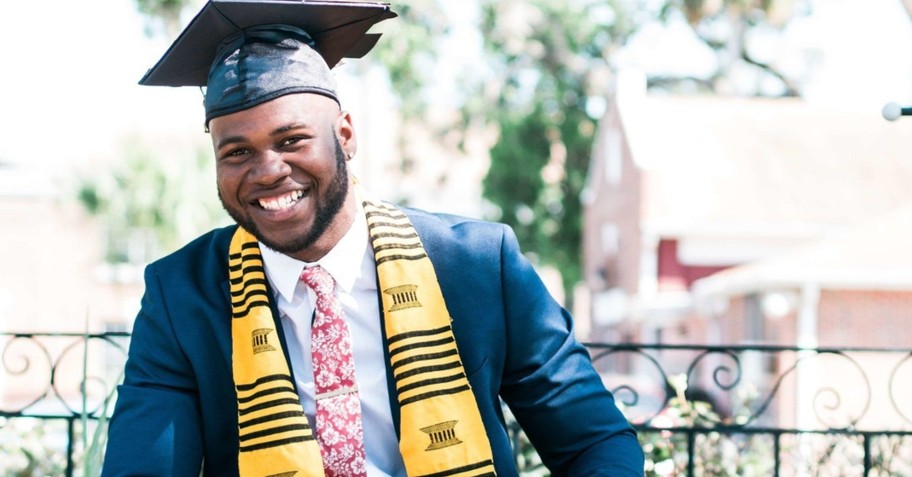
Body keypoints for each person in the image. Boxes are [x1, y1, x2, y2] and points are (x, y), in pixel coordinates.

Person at [102, 1, 644, 476]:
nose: (267, 171)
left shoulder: (478, 265)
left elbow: (595, 443)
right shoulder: (181, 295)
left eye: (292, 139)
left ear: (345, 136)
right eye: (237, 152)